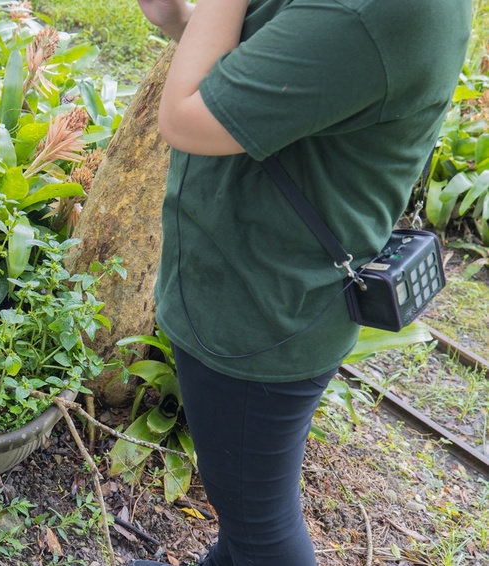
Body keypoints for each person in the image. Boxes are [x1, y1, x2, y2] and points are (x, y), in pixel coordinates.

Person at [129, 0, 470, 564]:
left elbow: (185, 118)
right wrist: (176, 17)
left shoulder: (374, 13)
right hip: (252, 287)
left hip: (261, 315)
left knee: (260, 526)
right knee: (245, 517)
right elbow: (255, 67)